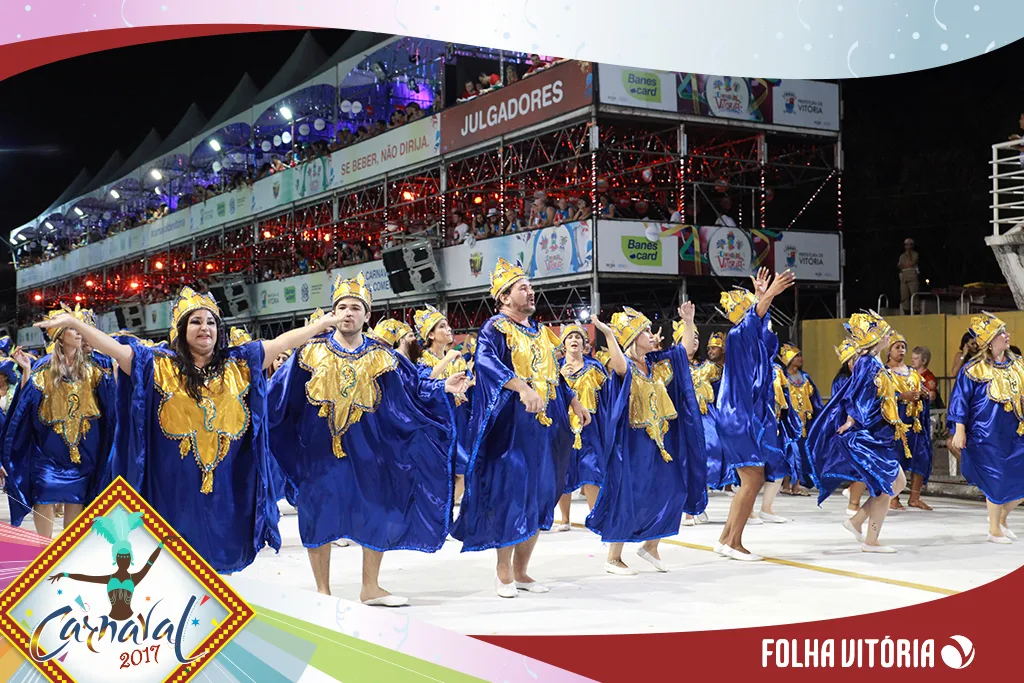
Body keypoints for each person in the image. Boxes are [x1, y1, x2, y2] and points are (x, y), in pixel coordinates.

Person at [36, 287, 337, 573]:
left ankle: (213, 609)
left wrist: (320, 324)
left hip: (225, 484)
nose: (204, 327)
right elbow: (116, 350)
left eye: (210, 322)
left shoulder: (239, 365)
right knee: (174, 555)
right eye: (195, 322)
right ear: (182, 329)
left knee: (221, 546)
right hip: (173, 487)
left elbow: (283, 342)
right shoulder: (158, 366)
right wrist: (75, 323)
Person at [268, 274, 468, 605]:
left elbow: (413, 390)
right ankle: (322, 591)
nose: (348, 312)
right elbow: (277, 394)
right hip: (319, 454)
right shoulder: (309, 352)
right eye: (342, 307)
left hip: (372, 452)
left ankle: (370, 587)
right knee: (318, 514)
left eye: (356, 307)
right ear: (333, 313)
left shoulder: (383, 355)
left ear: (367, 315)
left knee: (378, 511)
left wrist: (443, 387)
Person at [451, 258, 590, 597]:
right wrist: (522, 388)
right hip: (513, 427)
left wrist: (574, 401)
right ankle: (503, 572)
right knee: (511, 493)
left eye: (530, 287)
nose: (530, 292)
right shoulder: (495, 328)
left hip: (547, 425)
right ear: (503, 297)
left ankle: (523, 570)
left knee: (542, 492)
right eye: (522, 288)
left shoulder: (541, 332)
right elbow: (486, 363)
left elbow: (554, 373)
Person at [587, 303, 707, 574]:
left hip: (662, 440)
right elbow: (617, 364)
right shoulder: (626, 366)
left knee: (675, 489)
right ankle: (613, 557)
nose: (652, 335)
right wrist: (608, 334)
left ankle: (651, 546)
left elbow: (684, 351)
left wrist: (688, 321)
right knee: (629, 494)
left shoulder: (658, 363)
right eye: (646, 332)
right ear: (633, 338)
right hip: (634, 443)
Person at [3, 305, 116, 538]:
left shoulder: (95, 369)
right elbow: (24, 406)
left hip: (84, 452)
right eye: (72, 329)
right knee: (44, 494)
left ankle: (66, 553)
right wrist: (25, 370)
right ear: (59, 337)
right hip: (47, 451)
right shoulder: (43, 368)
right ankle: (44, 551)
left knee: (76, 498)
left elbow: (110, 405)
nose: (79, 333)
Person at [808, 311, 907, 553]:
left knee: (897, 483)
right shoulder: (867, 362)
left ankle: (856, 522)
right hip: (869, 434)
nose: (888, 337)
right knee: (888, 485)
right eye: (885, 334)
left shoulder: (873, 361)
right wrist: (852, 419)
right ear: (875, 338)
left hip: (880, 433)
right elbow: (857, 394)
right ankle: (871, 541)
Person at [714, 268, 795, 561]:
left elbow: (761, 327)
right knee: (752, 479)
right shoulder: (738, 334)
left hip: (744, 415)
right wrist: (770, 293)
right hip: (738, 416)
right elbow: (754, 320)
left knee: (751, 479)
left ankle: (725, 539)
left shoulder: (752, 338)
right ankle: (734, 543)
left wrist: (764, 297)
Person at [948, 313, 1024, 544]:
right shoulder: (973, 369)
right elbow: (960, 400)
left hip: (1014, 431)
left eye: (1005, 331)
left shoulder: (1018, 365)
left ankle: (1000, 518)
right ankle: (994, 529)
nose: (1006, 335)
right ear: (989, 341)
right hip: (985, 432)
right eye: (1001, 333)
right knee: (995, 477)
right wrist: (959, 430)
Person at [46, 508, 167, 621]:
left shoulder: (134, 578)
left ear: (131, 559)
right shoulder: (114, 578)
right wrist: (65, 574)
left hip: (130, 618)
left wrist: (161, 544)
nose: (123, 560)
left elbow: (150, 563)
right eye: (121, 557)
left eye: (126, 557)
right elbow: (85, 577)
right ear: (116, 559)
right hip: (110, 618)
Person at [554, 322, 613, 531]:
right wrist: (560, 375)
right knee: (563, 471)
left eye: (578, 337)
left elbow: (607, 398)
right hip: (563, 427)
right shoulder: (555, 368)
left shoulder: (594, 367)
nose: (574, 340)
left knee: (591, 469)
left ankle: (595, 517)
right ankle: (564, 519)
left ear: (584, 343)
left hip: (590, 428)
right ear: (563, 344)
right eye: (569, 337)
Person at [413, 304, 473, 505]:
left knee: (462, 472)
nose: (448, 330)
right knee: (445, 473)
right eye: (442, 327)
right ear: (430, 335)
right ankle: (438, 518)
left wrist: (466, 386)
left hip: (456, 421)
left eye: (448, 326)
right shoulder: (422, 358)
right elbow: (424, 383)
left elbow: (467, 383)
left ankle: (442, 517)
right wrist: (446, 360)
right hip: (433, 424)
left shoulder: (456, 359)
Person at [885, 333, 932, 511]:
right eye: (897, 347)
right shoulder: (884, 373)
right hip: (896, 423)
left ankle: (915, 497)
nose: (901, 350)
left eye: (903, 347)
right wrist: (900, 396)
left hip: (915, 423)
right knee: (896, 459)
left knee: (921, 456)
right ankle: (894, 498)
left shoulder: (912, 373)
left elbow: (921, 388)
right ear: (889, 351)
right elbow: (879, 397)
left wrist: (924, 395)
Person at [680, 326, 722, 524]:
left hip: (705, 419)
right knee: (685, 462)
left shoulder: (708, 367)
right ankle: (687, 509)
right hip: (681, 420)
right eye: (689, 336)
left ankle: (697, 504)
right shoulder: (670, 366)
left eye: (696, 337)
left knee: (706, 459)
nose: (694, 340)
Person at [778, 344, 823, 496]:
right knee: (790, 451)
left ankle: (797, 484)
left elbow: (814, 399)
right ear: (789, 359)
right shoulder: (782, 378)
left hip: (804, 422)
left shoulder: (805, 378)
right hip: (788, 422)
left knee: (802, 452)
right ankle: (785, 484)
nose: (800, 358)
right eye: (796, 356)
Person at [898, 238, 919, 315]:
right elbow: (900, 265)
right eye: (906, 244)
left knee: (914, 294)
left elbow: (912, 263)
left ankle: (916, 311)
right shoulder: (902, 256)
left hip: (912, 277)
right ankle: (906, 311)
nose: (907, 246)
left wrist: (909, 253)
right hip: (904, 277)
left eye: (909, 244)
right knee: (904, 295)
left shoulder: (915, 254)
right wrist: (906, 266)